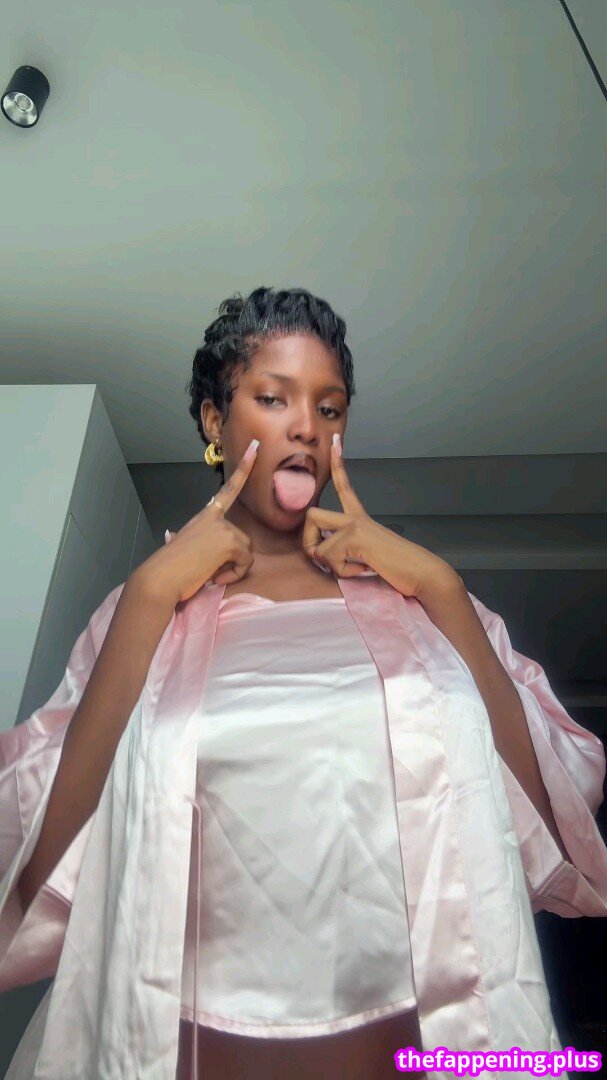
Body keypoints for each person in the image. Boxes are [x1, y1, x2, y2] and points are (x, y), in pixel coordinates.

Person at [1, 286, 607, 1080]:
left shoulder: (419, 602)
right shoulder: (142, 609)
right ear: (214, 422)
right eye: (272, 398)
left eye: (329, 408)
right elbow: (39, 868)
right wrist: (148, 596)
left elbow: (547, 822)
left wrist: (442, 587)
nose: (306, 427)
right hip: (181, 1052)